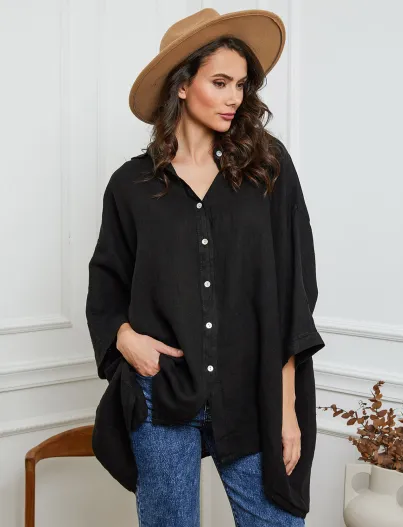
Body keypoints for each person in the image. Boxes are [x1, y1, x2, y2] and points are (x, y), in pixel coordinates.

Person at [85, 7, 325, 527]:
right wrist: (125, 338)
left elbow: (294, 290)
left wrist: (286, 408)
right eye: (219, 83)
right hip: (163, 393)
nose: (234, 97)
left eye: (240, 85)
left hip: (254, 394)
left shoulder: (268, 169)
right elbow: (106, 285)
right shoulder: (132, 186)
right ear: (181, 85)